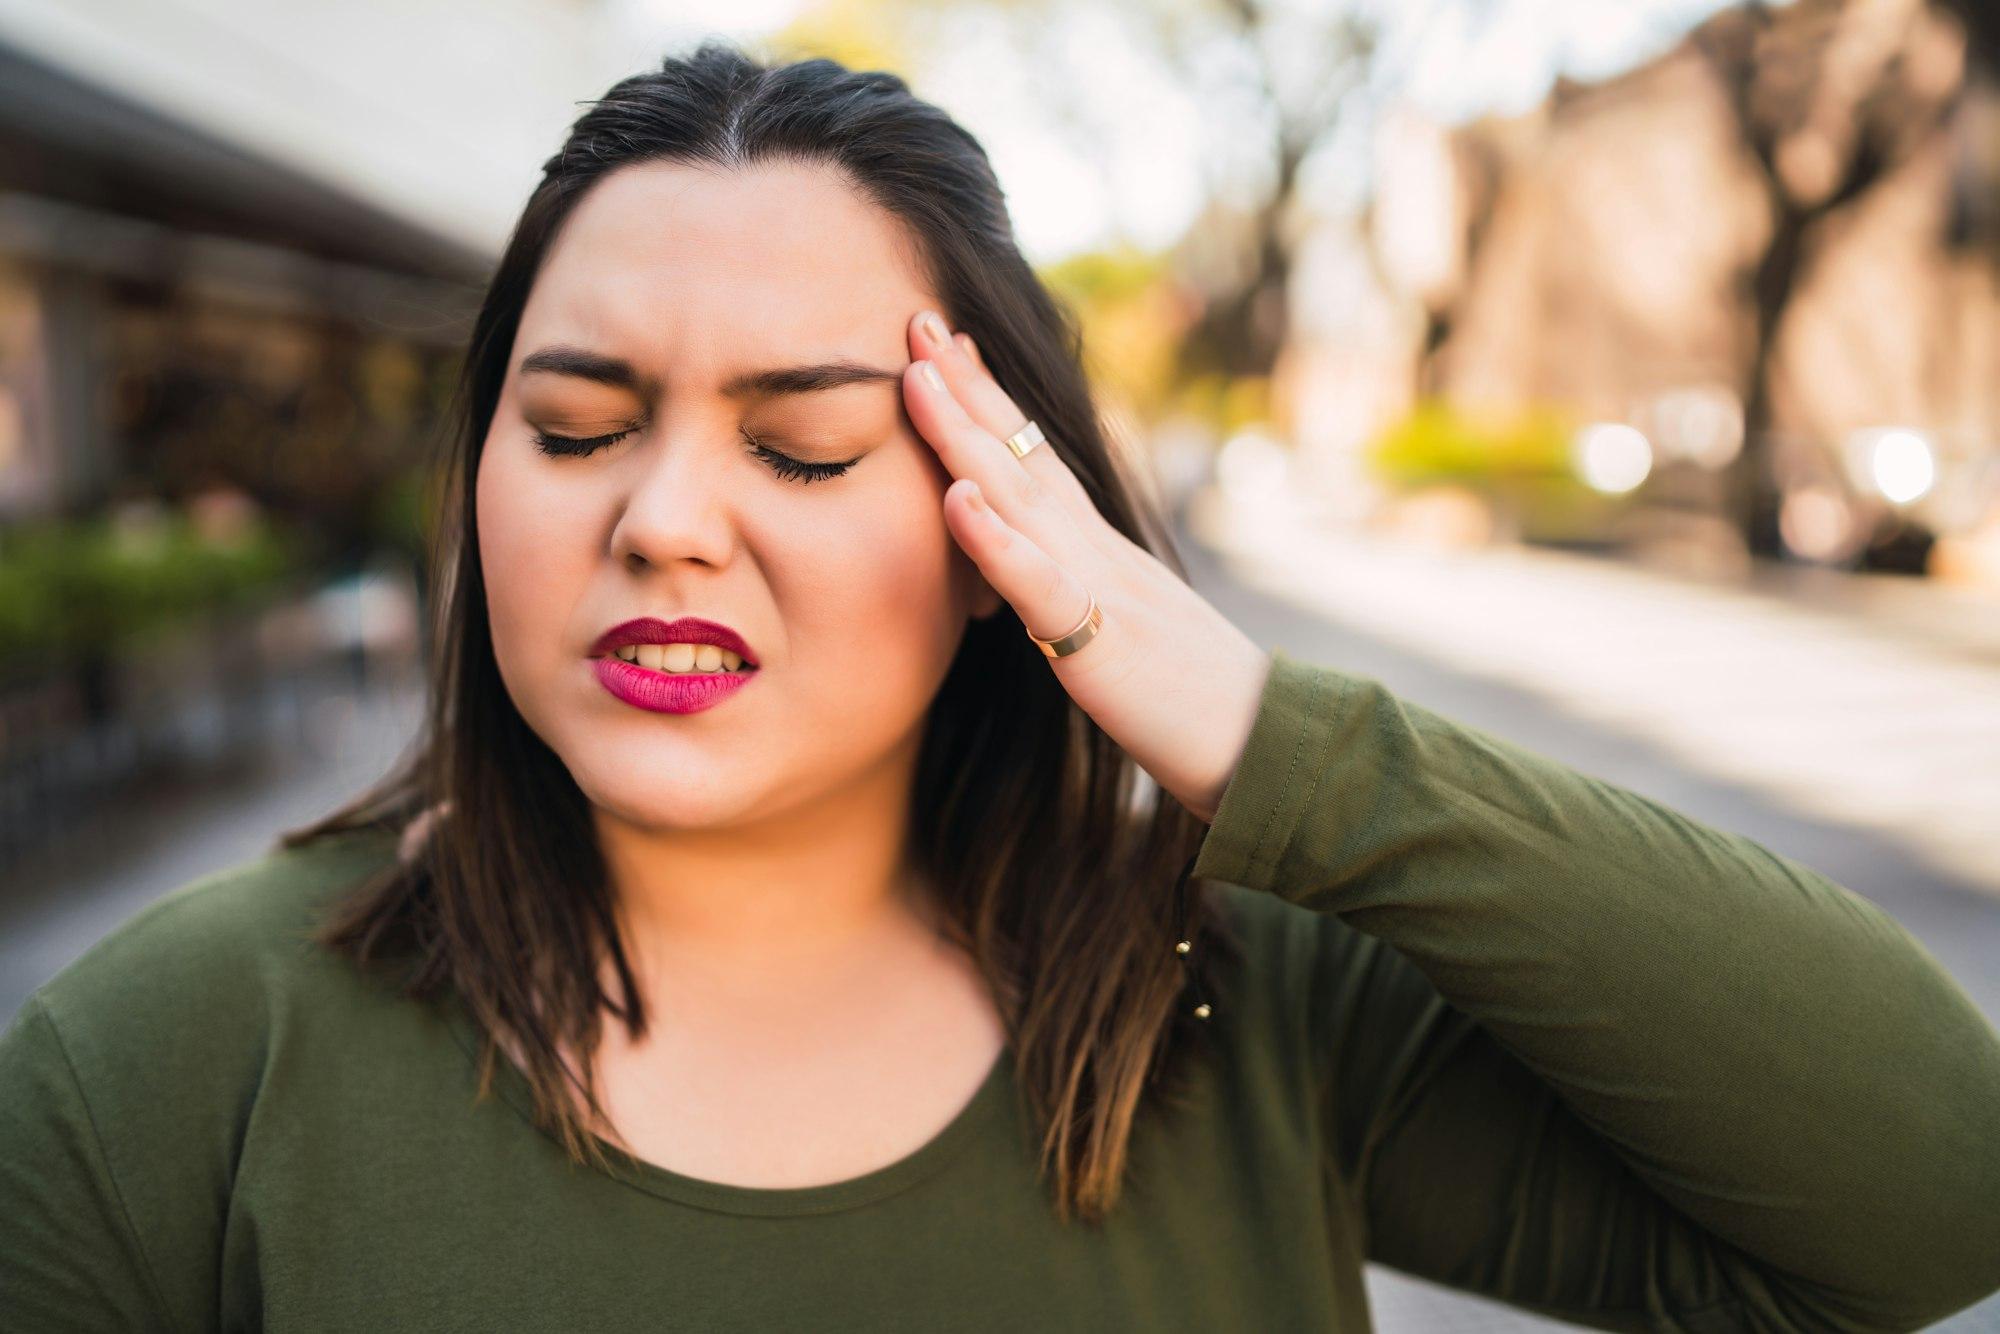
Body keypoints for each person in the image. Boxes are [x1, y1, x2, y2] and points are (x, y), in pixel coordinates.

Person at [4, 39, 1998, 1333]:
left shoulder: (1220, 1006)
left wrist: (1264, 734)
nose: (666, 520)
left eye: (801, 444)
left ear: (996, 527)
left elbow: (1929, 1188)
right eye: (580, 423)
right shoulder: (175, 1055)